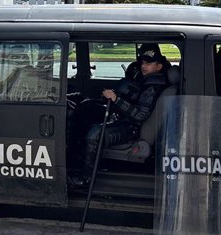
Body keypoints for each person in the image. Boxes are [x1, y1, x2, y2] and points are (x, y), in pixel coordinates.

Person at [68, 43, 169, 188]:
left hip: (132, 127)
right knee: (87, 108)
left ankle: (86, 178)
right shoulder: (146, 80)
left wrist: (116, 99)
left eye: (148, 63)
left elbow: (140, 115)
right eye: (143, 62)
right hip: (126, 119)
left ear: (159, 66)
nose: (143, 66)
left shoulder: (153, 87)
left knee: (95, 133)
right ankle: (79, 158)